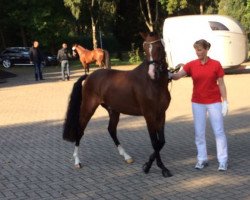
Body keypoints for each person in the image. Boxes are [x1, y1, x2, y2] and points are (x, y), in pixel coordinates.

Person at [170, 39, 228, 171]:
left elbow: (221, 84)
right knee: (199, 133)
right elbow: (178, 75)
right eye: (196, 49)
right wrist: (169, 74)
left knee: (219, 132)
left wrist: (225, 101)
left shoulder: (216, 64)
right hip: (197, 103)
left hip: (214, 102)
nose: (197, 52)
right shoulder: (191, 65)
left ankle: (223, 160)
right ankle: (202, 159)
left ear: (207, 49)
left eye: (200, 49)